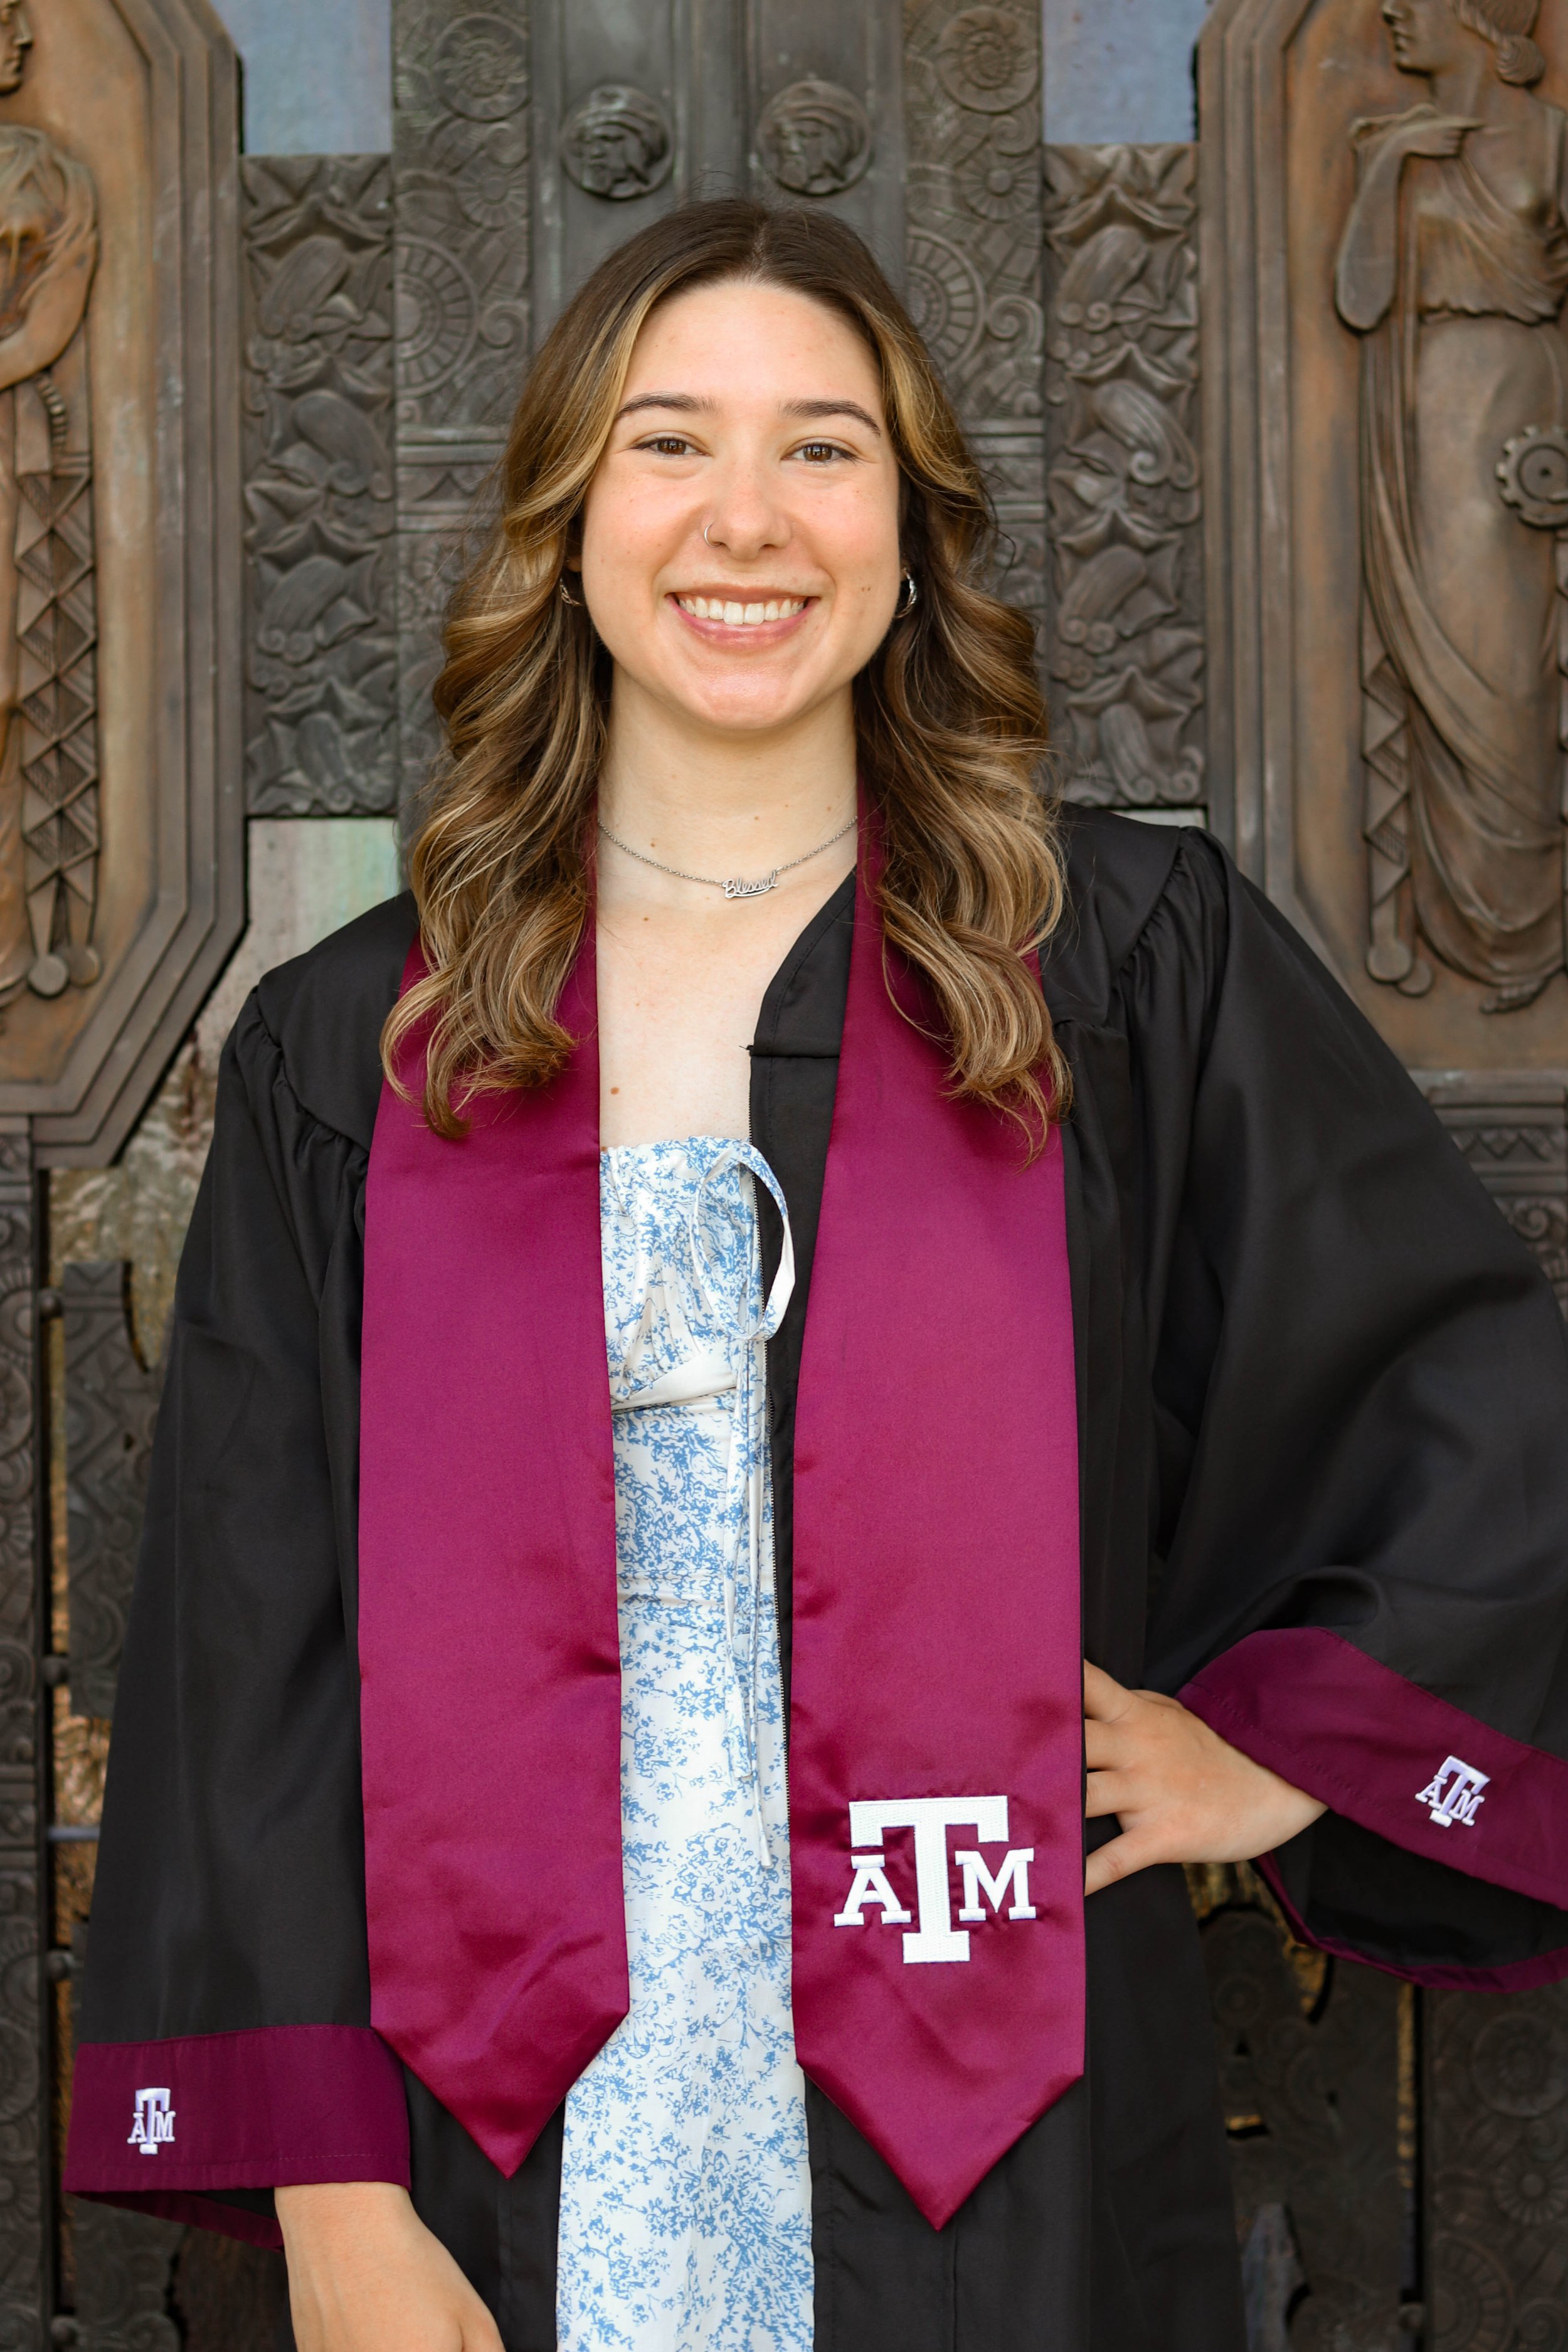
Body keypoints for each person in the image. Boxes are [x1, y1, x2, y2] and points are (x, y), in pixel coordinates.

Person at [65, 199, 1568, 2352]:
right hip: (502, 2120)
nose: (744, 521)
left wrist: (1281, 1754)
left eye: (823, 449)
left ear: (911, 524)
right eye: (670, 444)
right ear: (569, 518)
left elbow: (1454, 1389)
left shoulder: (1117, 968)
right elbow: (253, 1638)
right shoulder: (372, 1044)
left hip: (995, 2086)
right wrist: (335, 2203)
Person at [1335, 0, 1568, 1008]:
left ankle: (1530, 921)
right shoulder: (1387, 142)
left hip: (1522, 412)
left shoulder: (1553, 136)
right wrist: (1391, 169)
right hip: (1425, 421)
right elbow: (1355, 300)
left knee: (1517, 678)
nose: (1392, 11)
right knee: (1447, 666)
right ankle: (1460, 921)